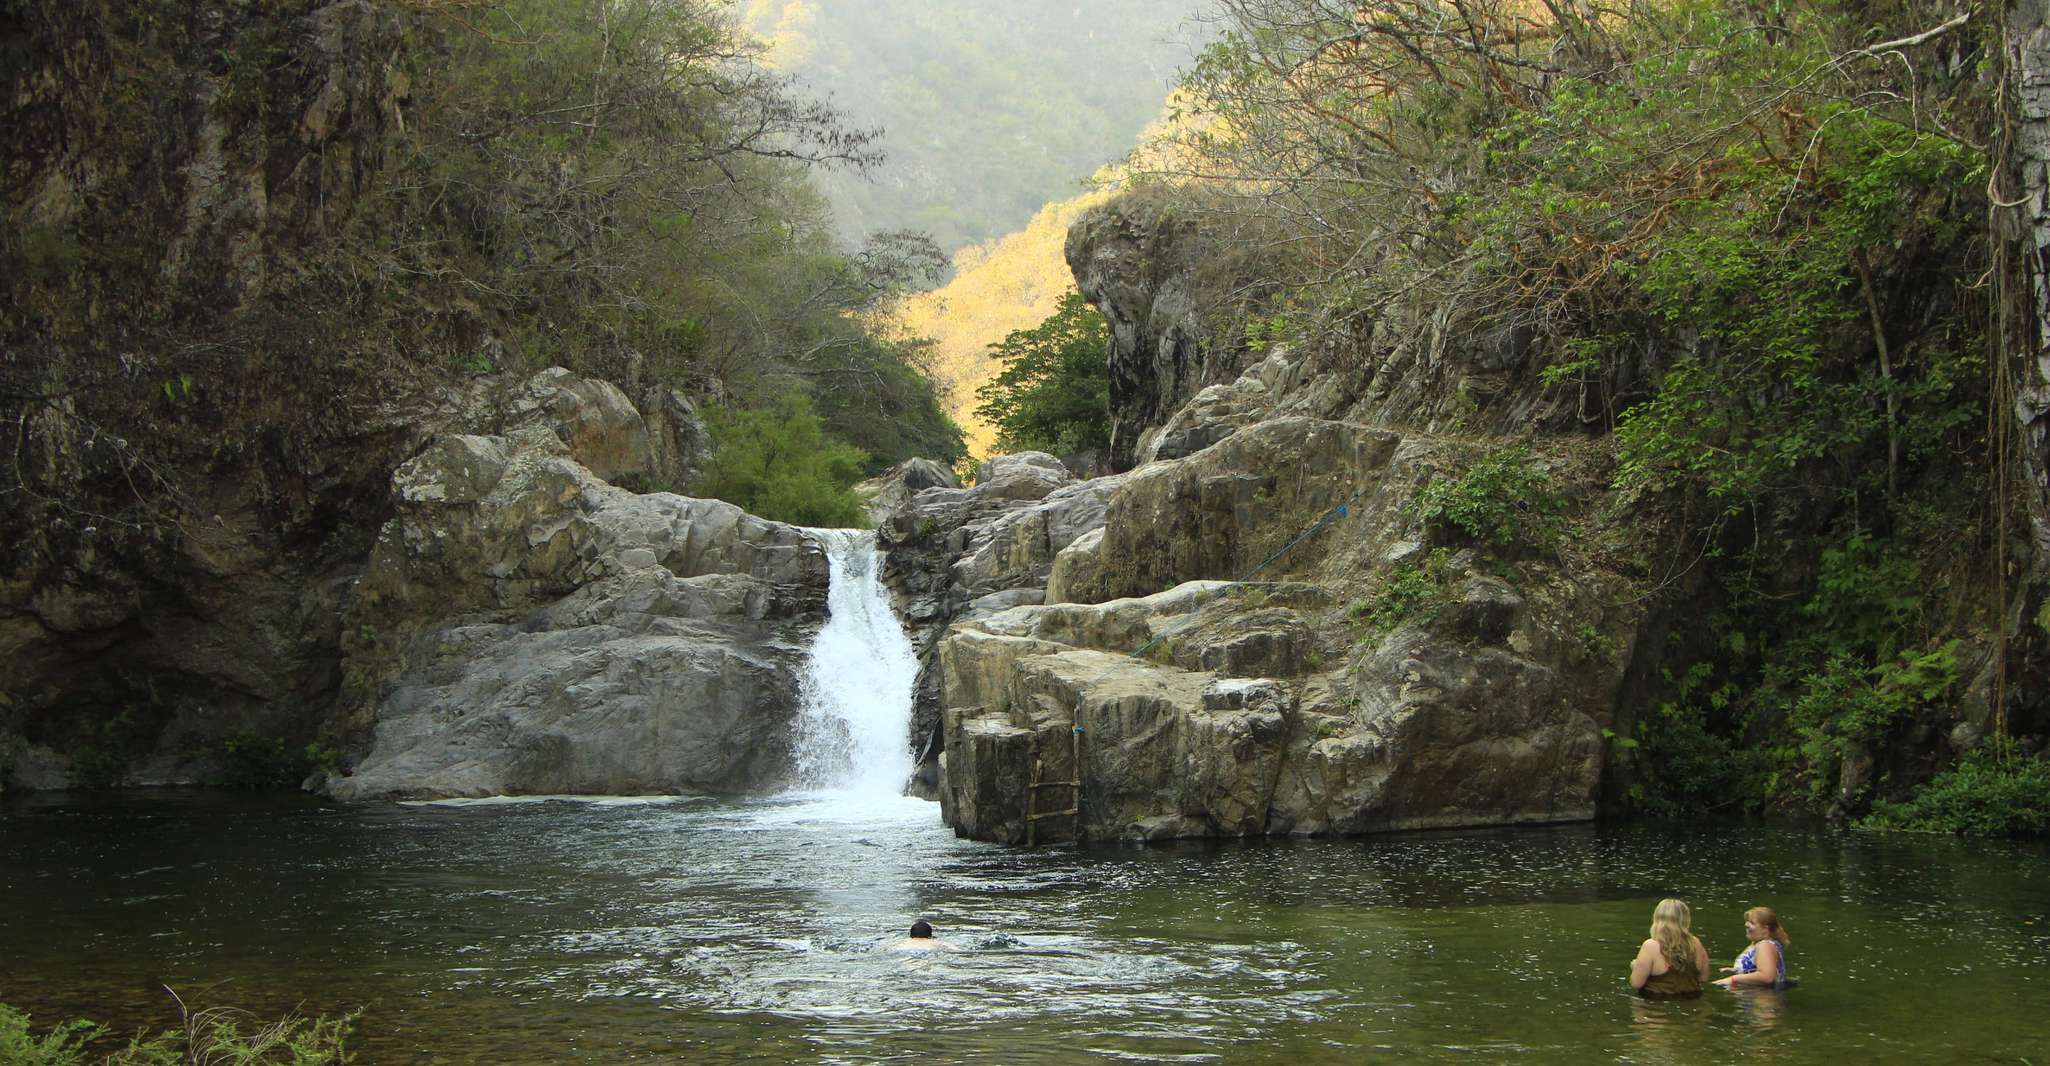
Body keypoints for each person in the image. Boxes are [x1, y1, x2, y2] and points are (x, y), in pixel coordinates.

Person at [1629, 898, 1711, 997]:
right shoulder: (1696, 943)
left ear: (1657, 918)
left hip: (1656, 1005)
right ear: (1685, 919)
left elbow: (1636, 983)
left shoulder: (1650, 945)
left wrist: (1635, 967)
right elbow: (1704, 978)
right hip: (1692, 1001)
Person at [1714, 906, 1789, 989]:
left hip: (1762, 998)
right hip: (1759, 995)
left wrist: (1733, 979)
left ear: (1765, 928)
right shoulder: (1767, 943)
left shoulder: (1764, 945)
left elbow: (1767, 977)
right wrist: (1738, 970)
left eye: (1752, 923)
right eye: (1747, 921)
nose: (1746, 924)